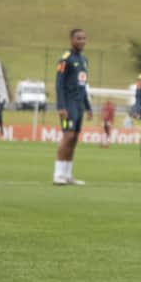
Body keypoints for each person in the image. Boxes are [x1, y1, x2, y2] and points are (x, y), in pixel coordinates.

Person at [52, 28, 92, 185]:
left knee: (74, 138)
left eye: (83, 38)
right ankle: (58, 174)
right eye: (78, 38)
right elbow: (59, 83)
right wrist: (61, 106)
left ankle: (67, 175)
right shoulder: (65, 59)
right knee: (67, 136)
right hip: (67, 105)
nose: (81, 41)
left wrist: (88, 107)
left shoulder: (84, 60)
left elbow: (83, 86)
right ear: (71, 40)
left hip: (78, 106)